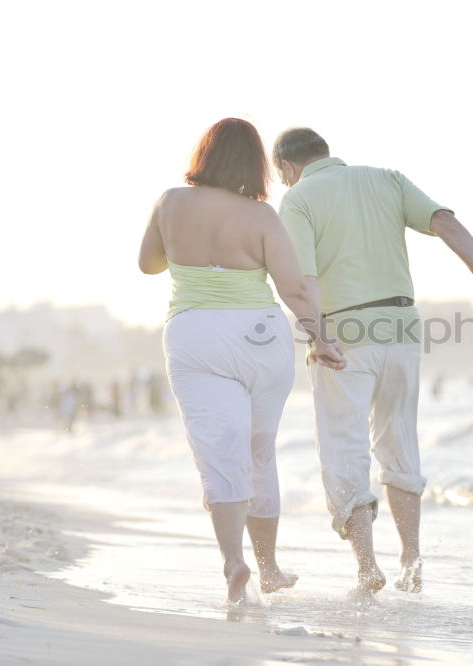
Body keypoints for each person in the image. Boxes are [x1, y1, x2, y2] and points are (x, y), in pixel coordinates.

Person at [273, 127, 473, 596]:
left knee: (344, 448)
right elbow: (444, 221)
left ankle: (367, 568)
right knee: (399, 439)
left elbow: (303, 279)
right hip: (402, 327)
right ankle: (411, 558)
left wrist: (317, 335)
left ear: (285, 165)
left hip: (344, 331)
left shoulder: (299, 198)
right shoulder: (387, 179)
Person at [138, 118, 346, 603]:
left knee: (219, 451)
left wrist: (192, 250)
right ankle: (269, 568)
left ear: (203, 155)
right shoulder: (262, 216)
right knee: (258, 451)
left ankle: (235, 563)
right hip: (259, 335)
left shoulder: (170, 202)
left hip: (194, 334)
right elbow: (293, 287)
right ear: (256, 164)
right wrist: (321, 339)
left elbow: (148, 264)